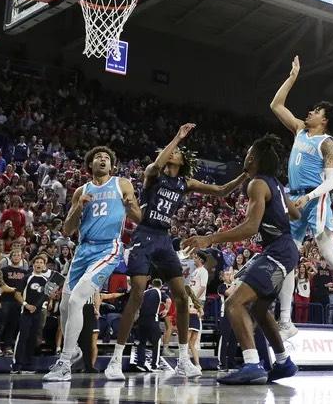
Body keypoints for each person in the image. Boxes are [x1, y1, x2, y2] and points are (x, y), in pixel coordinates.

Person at [105, 124, 248, 380]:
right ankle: (115, 360)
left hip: (163, 238)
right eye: (170, 150)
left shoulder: (185, 182)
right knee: (137, 293)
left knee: (181, 297)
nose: (173, 152)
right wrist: (177, 137)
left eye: (177, 151)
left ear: (183, 161)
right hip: (144, 234)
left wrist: (245, 175)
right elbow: (156, 165)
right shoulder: (154, 175)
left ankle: (183, 359)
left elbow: (221, 190)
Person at [183, 134, 301, 385]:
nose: (245, 156)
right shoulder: (276, 184)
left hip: (278, 250)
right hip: (285, 250)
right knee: (259, 308)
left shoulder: (258, 184)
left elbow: (250, 227)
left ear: (253, 158)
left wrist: (209, 239)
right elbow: (295, 212)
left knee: (234, 302)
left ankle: (251, 364)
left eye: (248, 153)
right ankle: (283, 362)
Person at [270, 56, 333, 340]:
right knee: (289, 256)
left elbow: (332, 181)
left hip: (315, 199)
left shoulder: (327, 143)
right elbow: (276, 105)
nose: (310, 112)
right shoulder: (300, 131)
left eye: (316, 110)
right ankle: (286, 321)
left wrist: (309, 197)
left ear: (324, 120)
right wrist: (291, 78)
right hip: (295, 199)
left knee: (328, 254)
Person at [44, 146, 141, 381]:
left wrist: (130, 207)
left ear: (112, 165)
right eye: (98, 157)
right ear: (90, 164)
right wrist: (79, 207)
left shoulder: (122, 184)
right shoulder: (81, 190)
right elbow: (67, 230)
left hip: (108, 247)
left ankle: (65, 362)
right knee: (65, 307)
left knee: (78, 299)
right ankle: (74, 350)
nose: (103, 160)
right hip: (82, 249)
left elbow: (139, 218)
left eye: (107, 158)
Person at [11, 255, 50, 374]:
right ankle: (16, 365)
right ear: (33, 265)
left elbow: (47, 296)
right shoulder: (27, 278)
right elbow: (17, 293)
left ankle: (27, 365)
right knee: (23, 337)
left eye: (41, 262)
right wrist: (26, 304)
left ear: (44, 265)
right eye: (36, 262)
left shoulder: (45, 280)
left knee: (33, 339)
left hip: (38, 313)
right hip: (26, 312)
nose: (38, 264)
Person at [131, 278, 168, 372]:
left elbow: (137, 305)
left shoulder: (145, 292)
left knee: (142, 342)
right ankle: (154, 365)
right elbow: (168, 300)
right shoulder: (159, 292)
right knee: (157, 342)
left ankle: (140, 364)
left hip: (142, 320)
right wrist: (166, 310)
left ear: (151, 284)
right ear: (161, 286)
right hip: (152, 320)